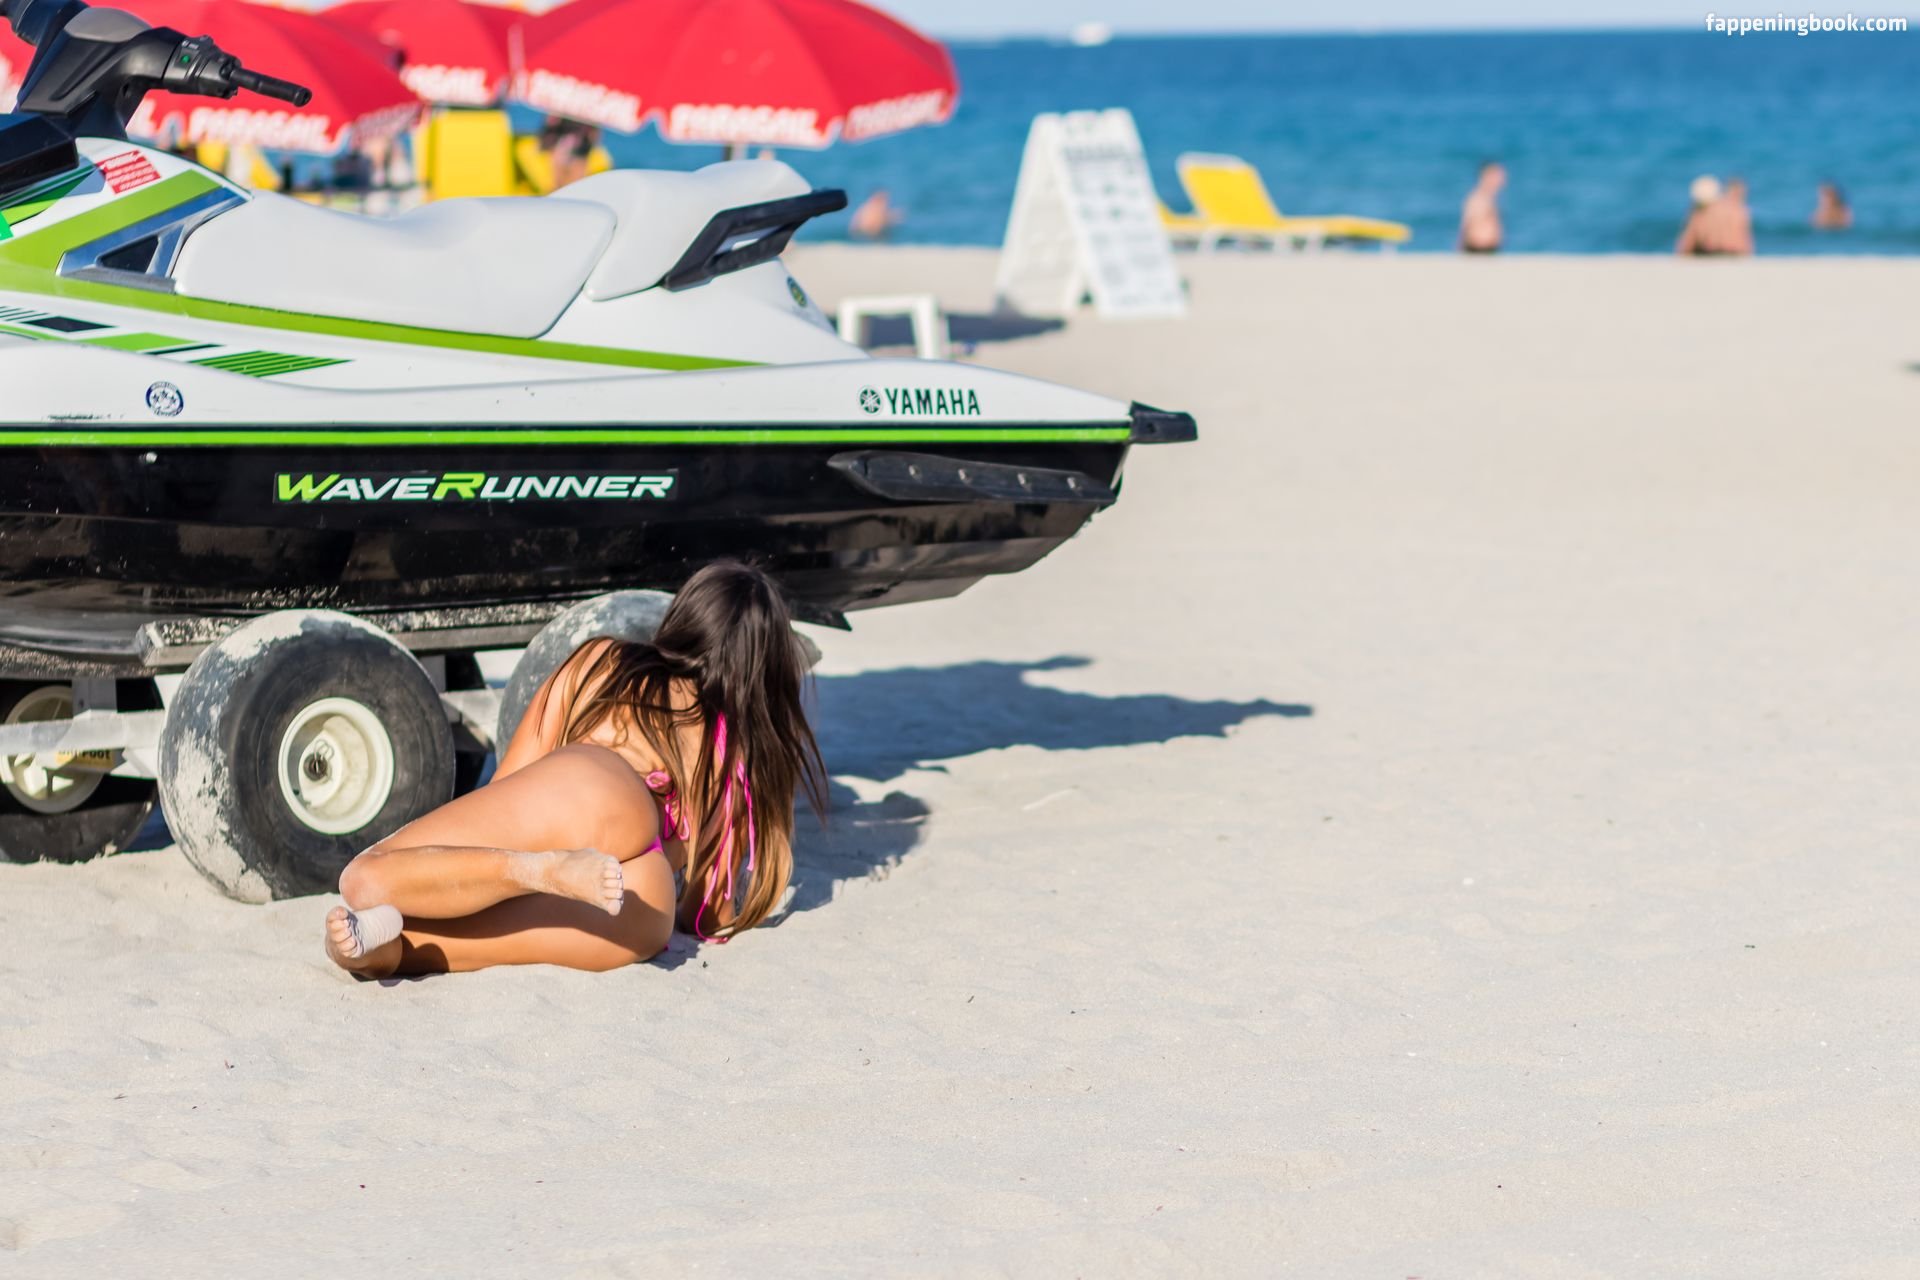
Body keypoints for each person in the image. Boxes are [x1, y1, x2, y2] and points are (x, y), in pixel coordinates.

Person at [322, 560, 828, 978]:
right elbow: (707, 913)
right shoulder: (733, 750)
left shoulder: (603, 661)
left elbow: (509, 781)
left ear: (684, 616)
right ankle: (385, 950)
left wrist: (523, 868)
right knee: (481, 943)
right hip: (646, 900)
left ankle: (544, 870)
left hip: (593, 792)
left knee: (366, 878)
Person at [1677, 175, 1754, 257]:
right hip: (1734, 254)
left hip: (1708, 252)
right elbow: (1745, 242)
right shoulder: (1740, 211)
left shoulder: (1701, 213)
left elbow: (1687, 242)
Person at [539, 115, 599, 191]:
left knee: (573, 184)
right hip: (564, 145)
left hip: (579, 148)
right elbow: (551, 121)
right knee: (561, 182)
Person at [1457, 160, 1505, 254]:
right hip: (1478, 250)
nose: (1500, 179)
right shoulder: (1477, 198)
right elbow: (1465, 225)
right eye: (1496, 175)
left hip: (1488, 249)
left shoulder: (1489, 198)